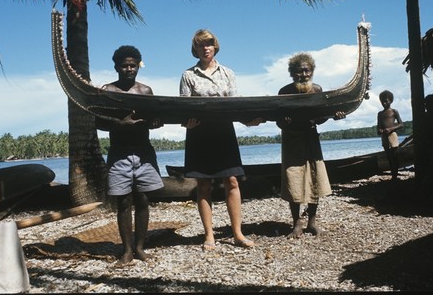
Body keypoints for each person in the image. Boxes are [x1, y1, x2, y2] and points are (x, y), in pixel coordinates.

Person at [179, 29, 262, 251]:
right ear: (195, 49)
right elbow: (182, 109)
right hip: (198, 135)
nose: (205, 47)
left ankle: (237, 234)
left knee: (232, 181)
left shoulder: (227, 73)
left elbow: (236, 104)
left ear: (215, 46)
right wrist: (185, 122)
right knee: (203, 185)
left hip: (224, 132)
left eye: (209, 43)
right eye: (200, 44)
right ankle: (209, 236)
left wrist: (248, 121)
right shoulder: (188, 75)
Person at [95, 45, 164, 265]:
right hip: (119, 153)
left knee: (143, 199)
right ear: (116, 67)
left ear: (138, 66)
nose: (129, 69)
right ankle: (126, 250)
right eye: (124, 66)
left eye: (133, 65)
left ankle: (140, 247)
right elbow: (99, 122)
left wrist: (156, 122)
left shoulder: (145, 91)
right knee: (123, 202)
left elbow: (154, 120)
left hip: (144, 152)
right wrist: (120, 124)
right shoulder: (108, 91)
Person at [276, 53, 345, 239]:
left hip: (311, 139)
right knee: (293, 181)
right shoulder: (284, 92)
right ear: (292, 73)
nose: (303, 74)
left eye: (307, 71)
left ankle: (312, 222)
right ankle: (296, 224)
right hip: (291, 140)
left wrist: (334, 115)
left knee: (315, 179)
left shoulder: (317, 90)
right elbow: (278, 122)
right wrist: (286, 122)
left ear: (312, 71)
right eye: (299, 71)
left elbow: (319, 117)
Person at [377, 89, 403, 181]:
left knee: (395, 156)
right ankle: (393, 175)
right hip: (384, 137)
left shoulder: (394, 111)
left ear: (391, 101)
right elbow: (378, 128)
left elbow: (401, 124)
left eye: (386, 101)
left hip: (392, 136)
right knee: (389, 157)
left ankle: (395, 176)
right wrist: (380, 130)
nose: (383, 103)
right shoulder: (380, 114)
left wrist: (391, 129)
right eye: (382, 101)